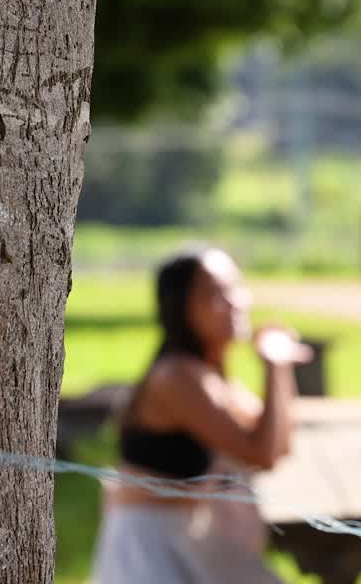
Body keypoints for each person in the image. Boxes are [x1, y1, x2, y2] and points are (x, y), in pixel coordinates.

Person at [92, 246, 312, 584]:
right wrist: (272, 365)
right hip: (149, 544)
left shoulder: (212, 377)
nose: (234, 301)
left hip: (192, 537)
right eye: (216, 292)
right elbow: (261, 453)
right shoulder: (176, 377)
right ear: (180, 306)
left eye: (235, 287)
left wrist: (279, 368)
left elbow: (279, 445)